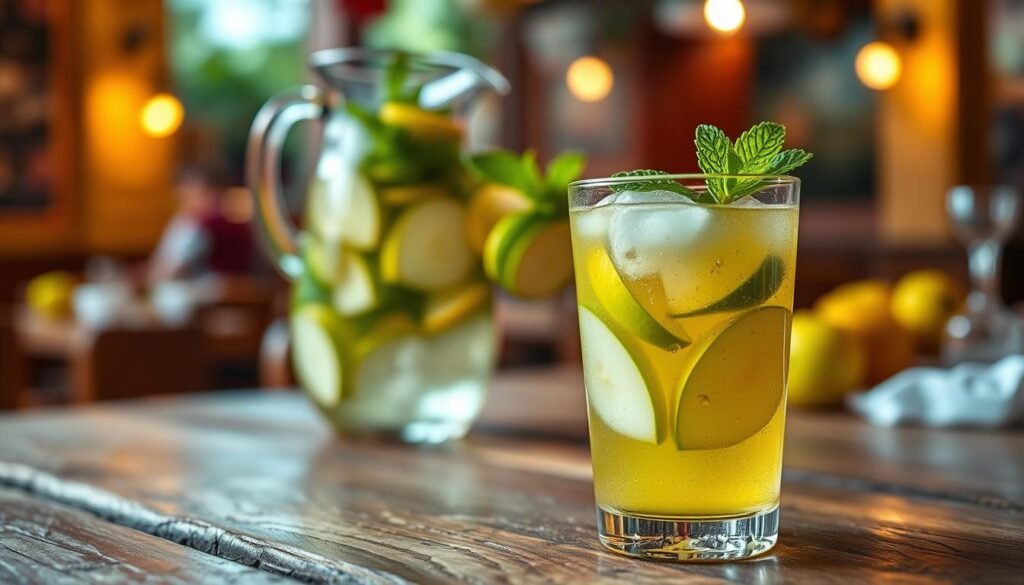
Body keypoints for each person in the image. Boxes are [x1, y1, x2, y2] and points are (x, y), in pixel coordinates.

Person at [147, 166, 255, 285]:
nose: (182, 198)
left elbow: (176, 269)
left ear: (208, 192)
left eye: (188, 193)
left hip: (210, 294)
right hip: (230, 291)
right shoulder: (237, 220)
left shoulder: (205, 224)